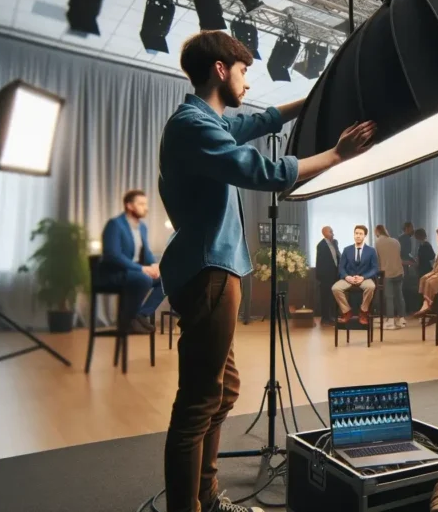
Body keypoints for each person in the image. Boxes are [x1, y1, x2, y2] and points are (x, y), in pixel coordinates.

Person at [158, 30, 374, 512]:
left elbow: (262, 122)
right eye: (243, 71)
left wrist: (314, 98)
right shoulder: (194, 126)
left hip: (215, 270)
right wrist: (337, 155)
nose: (248, 82)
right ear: (221, 70)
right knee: (197, 403)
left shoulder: (203, 120)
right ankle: (194, 505)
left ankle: (207, 496)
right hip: (209, 272)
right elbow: (265, 173)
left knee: (223, 390)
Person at [99, 189, 166, 334]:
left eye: (146, 204)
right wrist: (142, 269)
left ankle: (140, 315)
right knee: (143, 278)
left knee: (166, 279)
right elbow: (113, 255)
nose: (145, 207)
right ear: (129, 206)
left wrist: (154, 265)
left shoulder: (142, 228)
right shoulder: (115, 224)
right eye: (141, 204)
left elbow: (146, 252)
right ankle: (128, 320)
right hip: (115, 272)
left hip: (134, 271)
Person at [333, 225, 380, 326]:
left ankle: (363, 312)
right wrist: (346, 276)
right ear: (354, 235)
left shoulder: (371, 251)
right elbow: (341, 267)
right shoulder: (347, 250)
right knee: (335, 288)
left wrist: (363, 277)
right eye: (356, 233)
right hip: (349, 278)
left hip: (364, 278)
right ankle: (346, 312)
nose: (358, 236)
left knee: (371, 286)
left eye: (360, 234)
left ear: (365, 236)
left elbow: (375, 268)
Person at [374, 224, 407, 329]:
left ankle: (390, 321)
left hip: (387, 273)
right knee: (399, 296)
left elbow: (377, 259)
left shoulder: (378, 242)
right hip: (399, 271)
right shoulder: (395, 241)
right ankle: (402, 319)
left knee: (389, 297)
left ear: (377, 232)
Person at [315, 226, 340, 326]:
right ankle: (325, 318)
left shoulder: (334, 243)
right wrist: (320, 276)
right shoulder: (321, 245)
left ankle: (333, 316)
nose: (333, 233)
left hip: (335, 274)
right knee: (325, 297)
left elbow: (338, 256)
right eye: (330, 232)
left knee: (333, 296)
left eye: (332, 231)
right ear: (324, 233)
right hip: (325, 275)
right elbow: (320, 262)